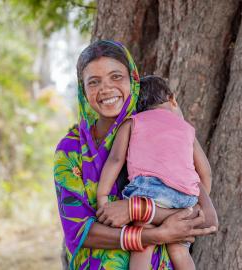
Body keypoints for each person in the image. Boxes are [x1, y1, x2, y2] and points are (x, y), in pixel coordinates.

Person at [54, 40, 218, 270]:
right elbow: (79, 231)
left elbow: (199, 216)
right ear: (83, 90)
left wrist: (137, 210)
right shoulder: (70, 151)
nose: (106, 88)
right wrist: (156, 234)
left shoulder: (166, 136)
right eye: (94, 82)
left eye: (116, 77)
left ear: (133, 79)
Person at [96, 75, 209, 270]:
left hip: (150, 194)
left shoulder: (133, 122)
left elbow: (115, 160)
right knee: (180, 251)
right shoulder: (187, 129)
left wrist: (102, 195)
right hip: (185, 198)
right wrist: (196, 201)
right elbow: (205, 171)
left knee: (143, 243)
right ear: (172, 99)